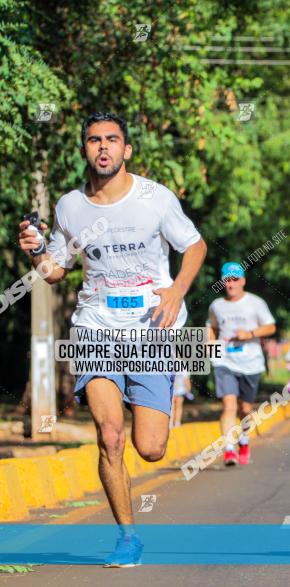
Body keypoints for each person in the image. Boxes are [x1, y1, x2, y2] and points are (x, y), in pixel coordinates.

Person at [17, 112, 207, 567]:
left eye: (112, 140)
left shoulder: (154, 198)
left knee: (151, 447)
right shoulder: (69, 206)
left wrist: (178, 289)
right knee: (109, 435)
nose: (103, 147)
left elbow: (195, 246)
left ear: (126, 150)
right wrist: (38, 251)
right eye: (94, 140)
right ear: (85, 149)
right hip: (94, 327)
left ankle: (142, 398)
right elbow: (57, 273)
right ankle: (127, 537)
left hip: (151, 330)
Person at [206, 262, 277, 466]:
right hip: (225, 361)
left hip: (251, 362)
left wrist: (250, 334)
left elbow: (271, 326)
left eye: (235, 279)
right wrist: (210, 344)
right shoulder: (216, 306)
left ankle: (244, 440)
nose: (231, 284)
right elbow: (211, 326)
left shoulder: (255, 303)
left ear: (243, 281)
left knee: (245, 408)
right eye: (227, 279)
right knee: (228, 405)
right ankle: (229, 449)